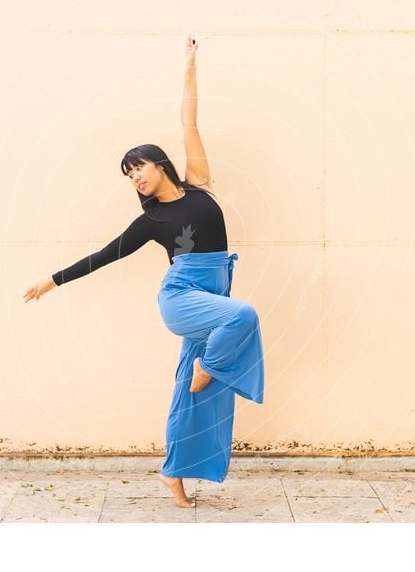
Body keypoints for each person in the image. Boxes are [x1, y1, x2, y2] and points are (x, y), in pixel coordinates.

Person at [23, 35, 265, 509]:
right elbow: (105, 254)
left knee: (193, 394)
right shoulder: (150, 221)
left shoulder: (199, 186)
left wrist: (191, 66)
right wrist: (51, 281)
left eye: (138, 167)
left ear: (160, 163)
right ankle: (210, 366)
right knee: (244, 317)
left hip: (213, 293)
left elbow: (188, 122)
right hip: (183, 296)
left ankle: (173, 474)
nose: (134, 177)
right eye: (128, 174)